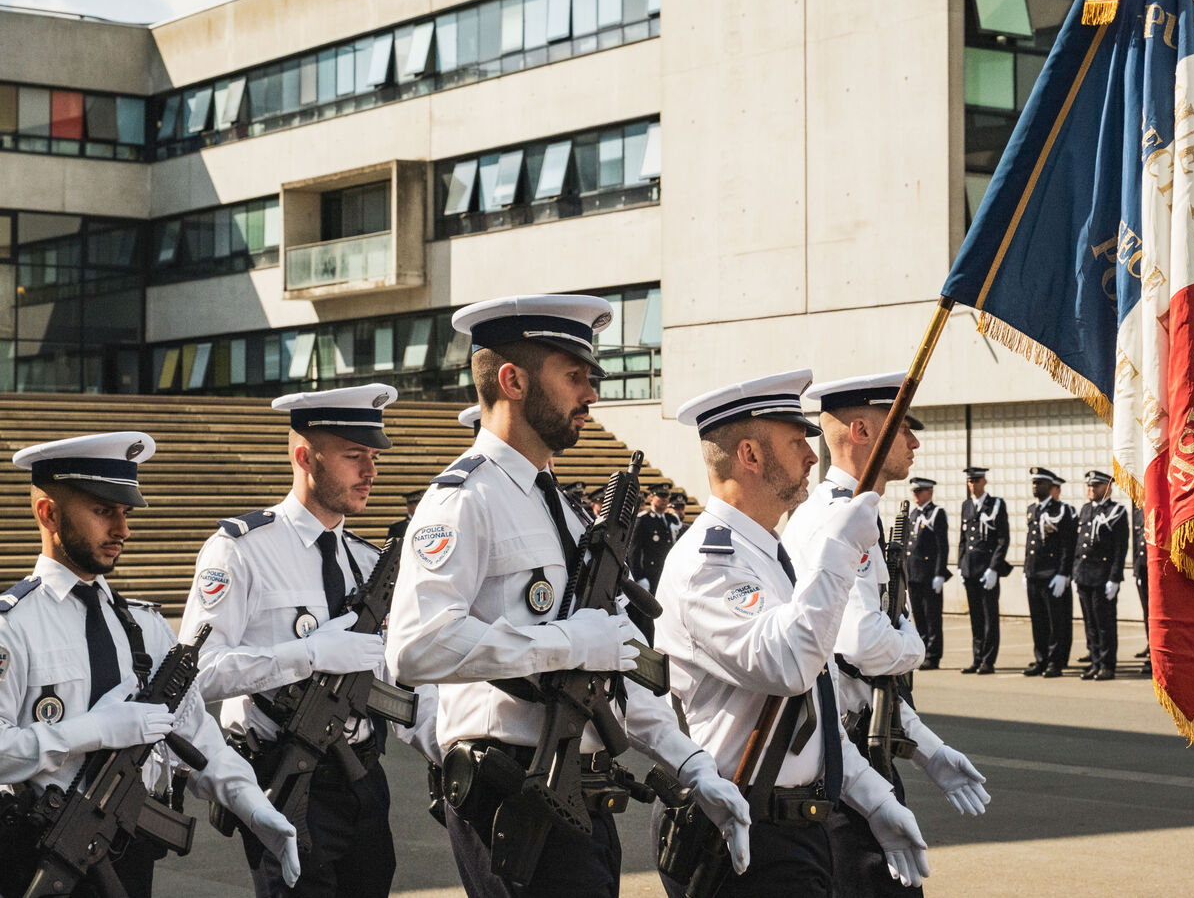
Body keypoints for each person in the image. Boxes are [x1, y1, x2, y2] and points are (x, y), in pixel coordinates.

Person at [383, 295, 750, 898]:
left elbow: (616, 658)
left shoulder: (566, 510)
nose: (591, 394)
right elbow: (415, 647)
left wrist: (689, 763)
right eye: (574, 376)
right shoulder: (463, 499)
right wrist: (562, 642)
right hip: (511, 794)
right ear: (513, 381)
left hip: (583, 794)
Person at [652, 369, 930, 897]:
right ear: (750, 456)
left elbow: (813, 712)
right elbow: (789, 666)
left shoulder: (765, 554)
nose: (810, 455)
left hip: (795, 828)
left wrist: (875, 799)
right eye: (795, 440)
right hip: (742, 832)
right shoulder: (709, 564)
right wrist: (839, 552)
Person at [2, 433, 300, 898]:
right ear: (49, 514)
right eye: (104, 511)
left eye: (125, 512)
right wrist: (91, 731)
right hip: (42, 855)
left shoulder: (144, 627)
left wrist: (252, 804)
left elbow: (197, 734)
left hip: (130, 854)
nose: (122, 529)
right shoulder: (13, 627)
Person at [178, 384, 438, 898]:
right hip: (287, 779)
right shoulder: (242, 550)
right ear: (304, 457)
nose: (370, 470)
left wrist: (444, 746)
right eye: (354, 456)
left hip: (365, 780)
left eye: (374, 457)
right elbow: (196, 673)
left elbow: (395, 679)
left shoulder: (366, 561)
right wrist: (306, 655)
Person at [783, 372, 989, 897]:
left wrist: (927, 749)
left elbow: (861, 679)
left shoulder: (851, 513)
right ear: (861, 432)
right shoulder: (837, 518)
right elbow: (863, 646)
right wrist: (914, 646)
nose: (914, 442)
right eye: (903, 429)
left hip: (858, 751)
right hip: (843, 767)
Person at [1072, 471, 1130, 681]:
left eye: (1096, 485)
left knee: (1104, 624)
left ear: (1108, 488)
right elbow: (1079, 544)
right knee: (1090, 623)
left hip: (1103, 577)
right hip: (1084, 575)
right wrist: (1075, 572)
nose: (1091, 489)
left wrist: (1115, 578)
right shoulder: (1086, 509)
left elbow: (1120, 548)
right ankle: (1095, 661)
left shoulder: (1116, 511)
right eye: (1089, 485)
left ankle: (1107, 664)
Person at [1022, 468, 1076, 678]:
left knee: (1057, 622)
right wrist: (1026, 570)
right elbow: (1030, 543)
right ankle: (1041, 658)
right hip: (1034, 573)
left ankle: (1056, 661)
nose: (1035, 487)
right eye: (1034, 483)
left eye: (1040, 483)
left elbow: (1067, 545)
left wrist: (1064, 573)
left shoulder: (1062, 510)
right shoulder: (1032, 509)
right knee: (1038, 621)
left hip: (1053, 575)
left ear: (1050, 486)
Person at [957, 467, 1011, 674]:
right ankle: (977, 658)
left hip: (987, 570)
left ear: (984, 482)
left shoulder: (996, 504)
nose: (972, 484)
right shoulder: (967, 505)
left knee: (990, 617)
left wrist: (994, 568)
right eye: (970, 481)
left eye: (976, 480)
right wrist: (961, 565)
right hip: (970, 569)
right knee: (976, 618)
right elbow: (963, 540)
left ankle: (988, 660)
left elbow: (1003, 539)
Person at [903, 477, 950, 670]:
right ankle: (922, 652)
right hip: (914, 574)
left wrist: (940, 573)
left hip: (930, 575)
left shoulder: (936, 513)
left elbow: (942, 546)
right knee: (919, 617)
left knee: (932, 617)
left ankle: (933, 655)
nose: (915, 495)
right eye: (914, 491)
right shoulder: (914, 514)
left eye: (919, 491)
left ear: (929, 492)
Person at [630, 483, 675, 593]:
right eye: (661, 496)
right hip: (649, 574)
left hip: (665, 574)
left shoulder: (669, 520)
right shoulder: (643, 520)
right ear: (651, 498)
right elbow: (634, 551)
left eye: (666, 496)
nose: (664, 500)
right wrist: (638, 577)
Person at [1131, 506, 1151, 675]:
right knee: (1147, 612)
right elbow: (1137, 542)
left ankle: (1155, 650)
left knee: (1156, 613)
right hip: (1142, 568)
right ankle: (1150, 643)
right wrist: (1136, 569)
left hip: (1156, 569)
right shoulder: (1138, 511)